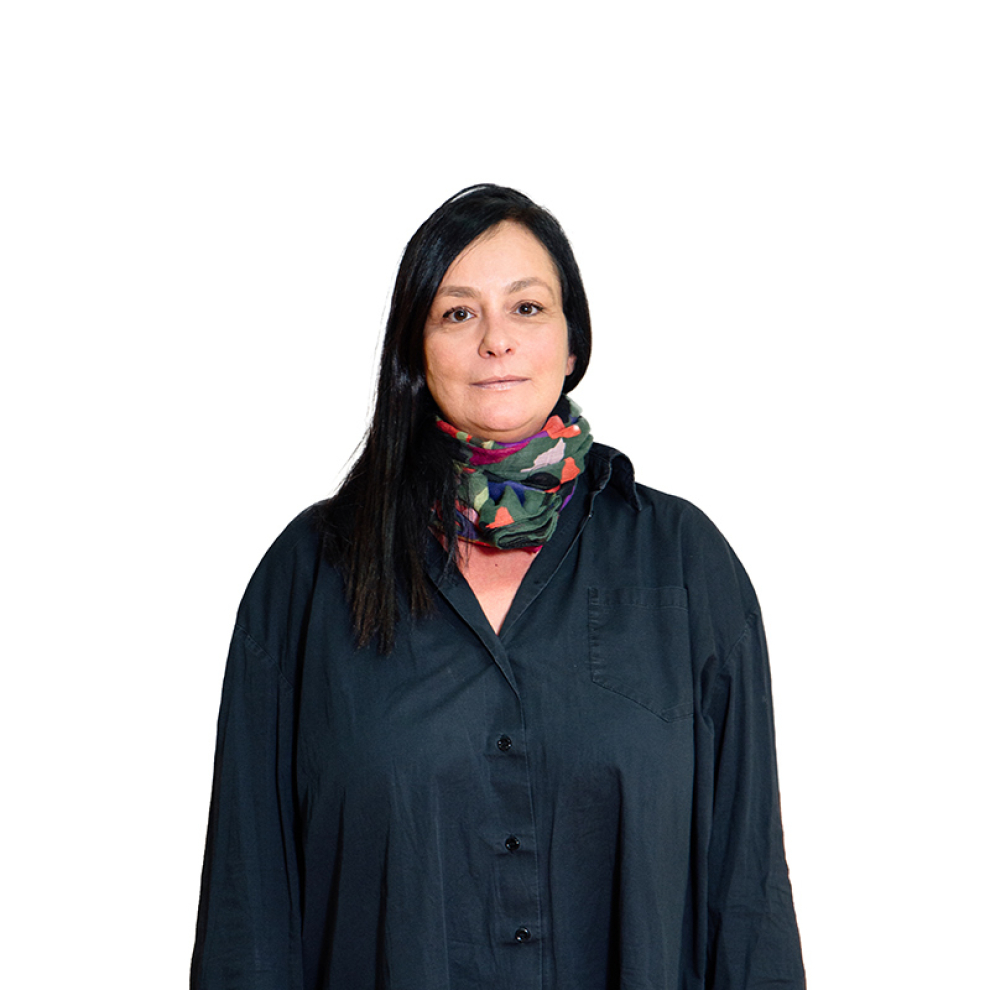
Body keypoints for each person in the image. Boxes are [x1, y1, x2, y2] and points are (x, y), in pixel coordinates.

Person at [191, 184, 805, 989]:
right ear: (414, 350)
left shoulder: (685, 565)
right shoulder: (309, 575)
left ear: (573, 342)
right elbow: (248, 904)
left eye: (527, 307)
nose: (496, 341)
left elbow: (747, 891)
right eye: (458, 313)